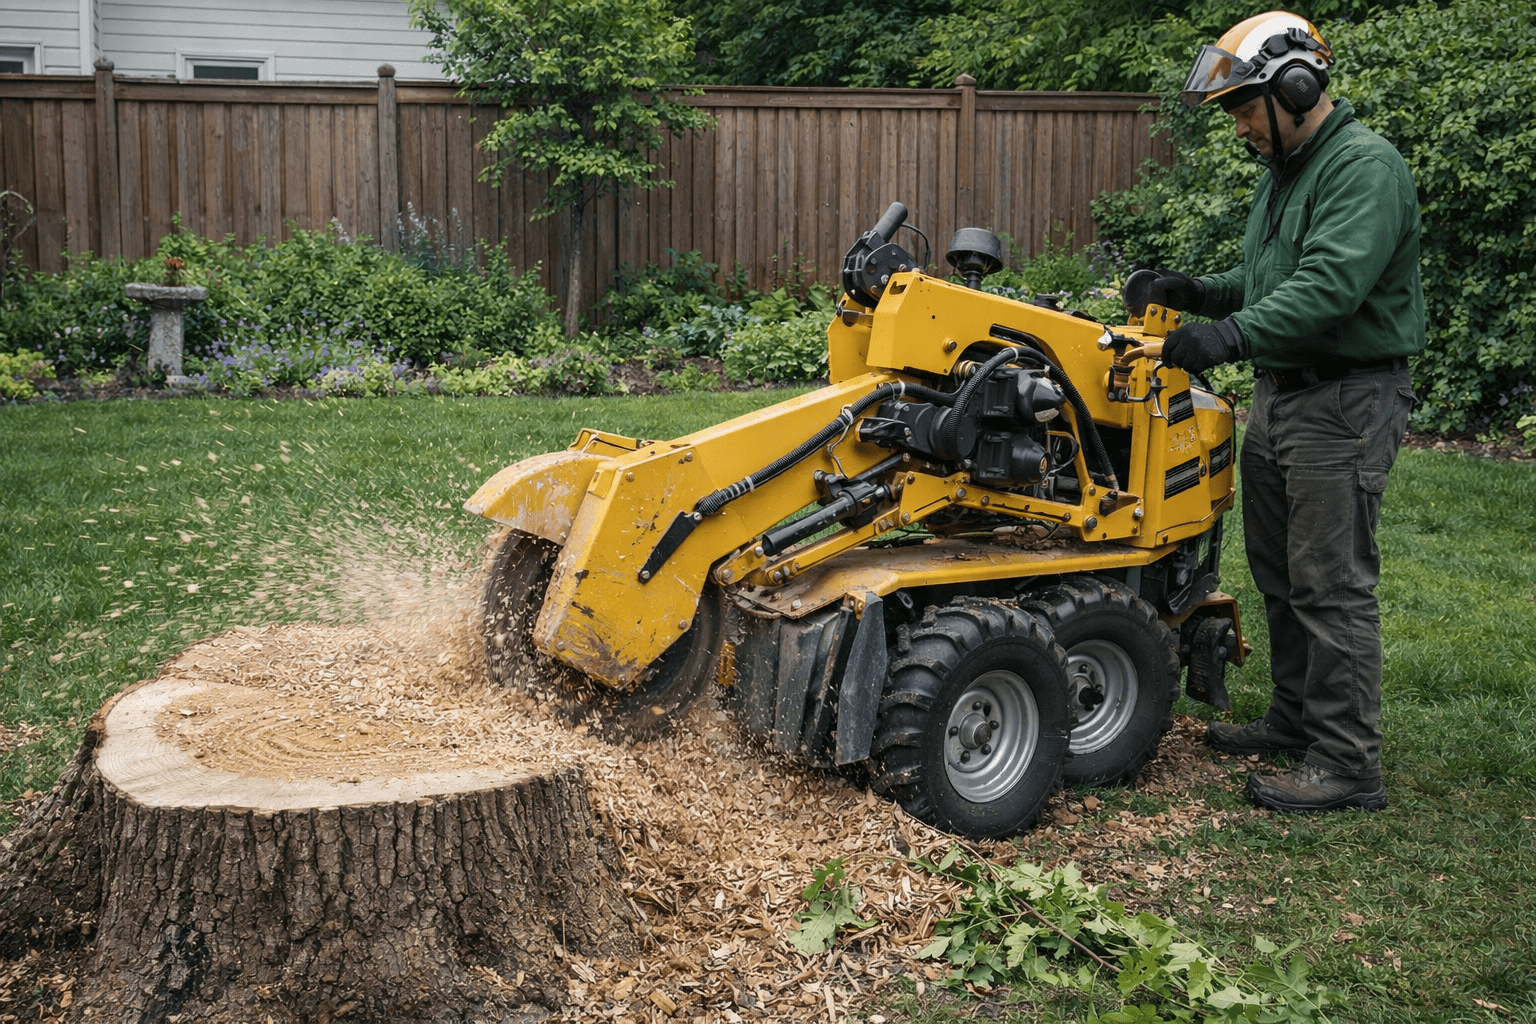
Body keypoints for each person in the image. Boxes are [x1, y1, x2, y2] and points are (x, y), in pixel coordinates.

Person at [1134, 11, 1424, 812]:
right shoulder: (1288, 171)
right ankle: (1295, 720)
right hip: (1285, 395)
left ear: (1295, 89)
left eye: (1242, 108)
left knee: (1331, 583)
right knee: (1281, 573)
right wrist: (1199, 293)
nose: (1238, 128)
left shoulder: (1363, 168)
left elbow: (1329, 289)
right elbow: (1268, 282)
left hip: (1345, 398)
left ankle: (1347, 762)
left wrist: (1224, 336)